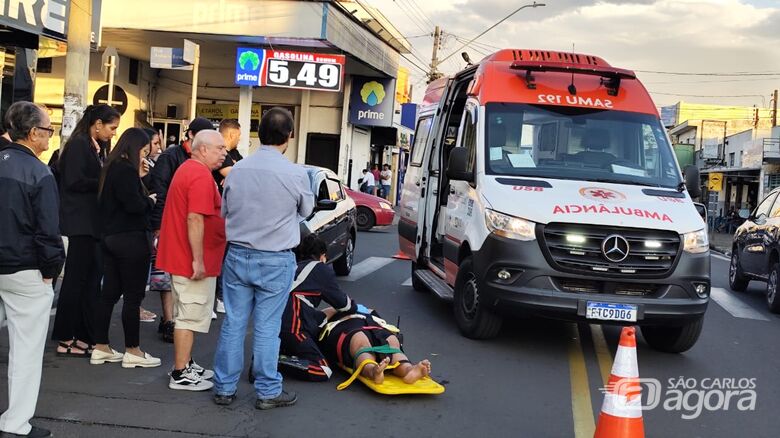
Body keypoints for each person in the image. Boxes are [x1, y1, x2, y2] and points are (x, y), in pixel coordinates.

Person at [213, 107, 313, 409]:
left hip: (238, 255)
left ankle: (224, 388)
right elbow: (306, 211)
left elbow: (225, 211)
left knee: (233, 322)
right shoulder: (295, 173)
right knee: (268, 327)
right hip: (275, 259)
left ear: (258, 134)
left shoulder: (236, 170)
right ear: (289, 136)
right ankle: (268, 392)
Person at [0, 101, 65, 438]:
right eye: (49, 130)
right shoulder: (40, 173)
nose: (51, 137)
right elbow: (47, 230)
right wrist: (51, 270)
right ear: (33, 133)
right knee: (25, 349)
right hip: (25, 269)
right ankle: (15, 422)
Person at [156, 129, 227, 391]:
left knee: (188, 312)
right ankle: (180, 372)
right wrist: (198, 260)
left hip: (186, 256)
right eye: (219, 148)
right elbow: (195, 217)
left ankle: (186, 363)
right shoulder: (198, 174)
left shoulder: (190, 170)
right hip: (191, 259)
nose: (224, 153)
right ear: (203, 149)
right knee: (188, 315)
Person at [52, 104, 120, 357]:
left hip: (92, 223)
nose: (114, 132)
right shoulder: (80, 145)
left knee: (90, 281)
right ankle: (65, 335)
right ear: (98, 124)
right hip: (80, 222)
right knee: (76, 280)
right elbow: (74, 181)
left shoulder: (96, 147)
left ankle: (82, 335)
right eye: (112, 127)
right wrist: (105, 180)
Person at [91, 128, 161, 369]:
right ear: (134, 148)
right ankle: (133, 350)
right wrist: (149, 200)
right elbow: (134, 205)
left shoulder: (111, 167)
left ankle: (100, 346)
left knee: (108, 294)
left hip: (110, 238)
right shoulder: (125, 171)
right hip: (131, 239)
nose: (144, 155)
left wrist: (139, 178)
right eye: (143, 150)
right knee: (133, 297)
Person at [148, 117, 214, 343]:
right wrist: (158, 225)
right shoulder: (172, 157)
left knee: (177, 280)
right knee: (167, 278)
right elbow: (160, 191)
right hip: (170, 224)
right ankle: (168, 321)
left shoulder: (202, 163)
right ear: (192, 136)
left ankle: (173, 321)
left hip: (185, 226)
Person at [278, 235, 357, 381]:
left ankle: (267, 359)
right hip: (293, 326)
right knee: (323, 370)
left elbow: (313, 312)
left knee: (318, 319)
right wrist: (354, 307)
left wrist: (331, 311)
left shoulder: (296, 267)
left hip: (276, 321)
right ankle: (273, 364)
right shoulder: (320, 269)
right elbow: (345, 304)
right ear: (322, 256)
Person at [320, 307, 431, 385]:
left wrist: (341, 307)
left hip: (369, 327)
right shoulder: (335, 309)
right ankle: (398, 369)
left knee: (389, 343)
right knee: (373, 343)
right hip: (359, 327)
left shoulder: (338, 308)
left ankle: (407, 370)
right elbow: (319, 317)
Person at [213, 119, 243, 315]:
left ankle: (220, 297)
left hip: (231, 214)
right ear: (231, 135)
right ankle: (216, 299)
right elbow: (234, 173)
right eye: (239, 136)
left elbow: (241, 171)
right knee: (218, 259)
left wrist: (235, 171)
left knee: (226, 258)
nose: (240, 140)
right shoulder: (220, 150)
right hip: (216, 212)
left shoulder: (234, 154)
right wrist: (233, 171)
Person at [139, 128, 162, 324]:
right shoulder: (134, 167)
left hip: (147, 223)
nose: (158, 148)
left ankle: (137, 305)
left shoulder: (151, 165)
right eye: (155, 144)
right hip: (138, 227)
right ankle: (136, 306)